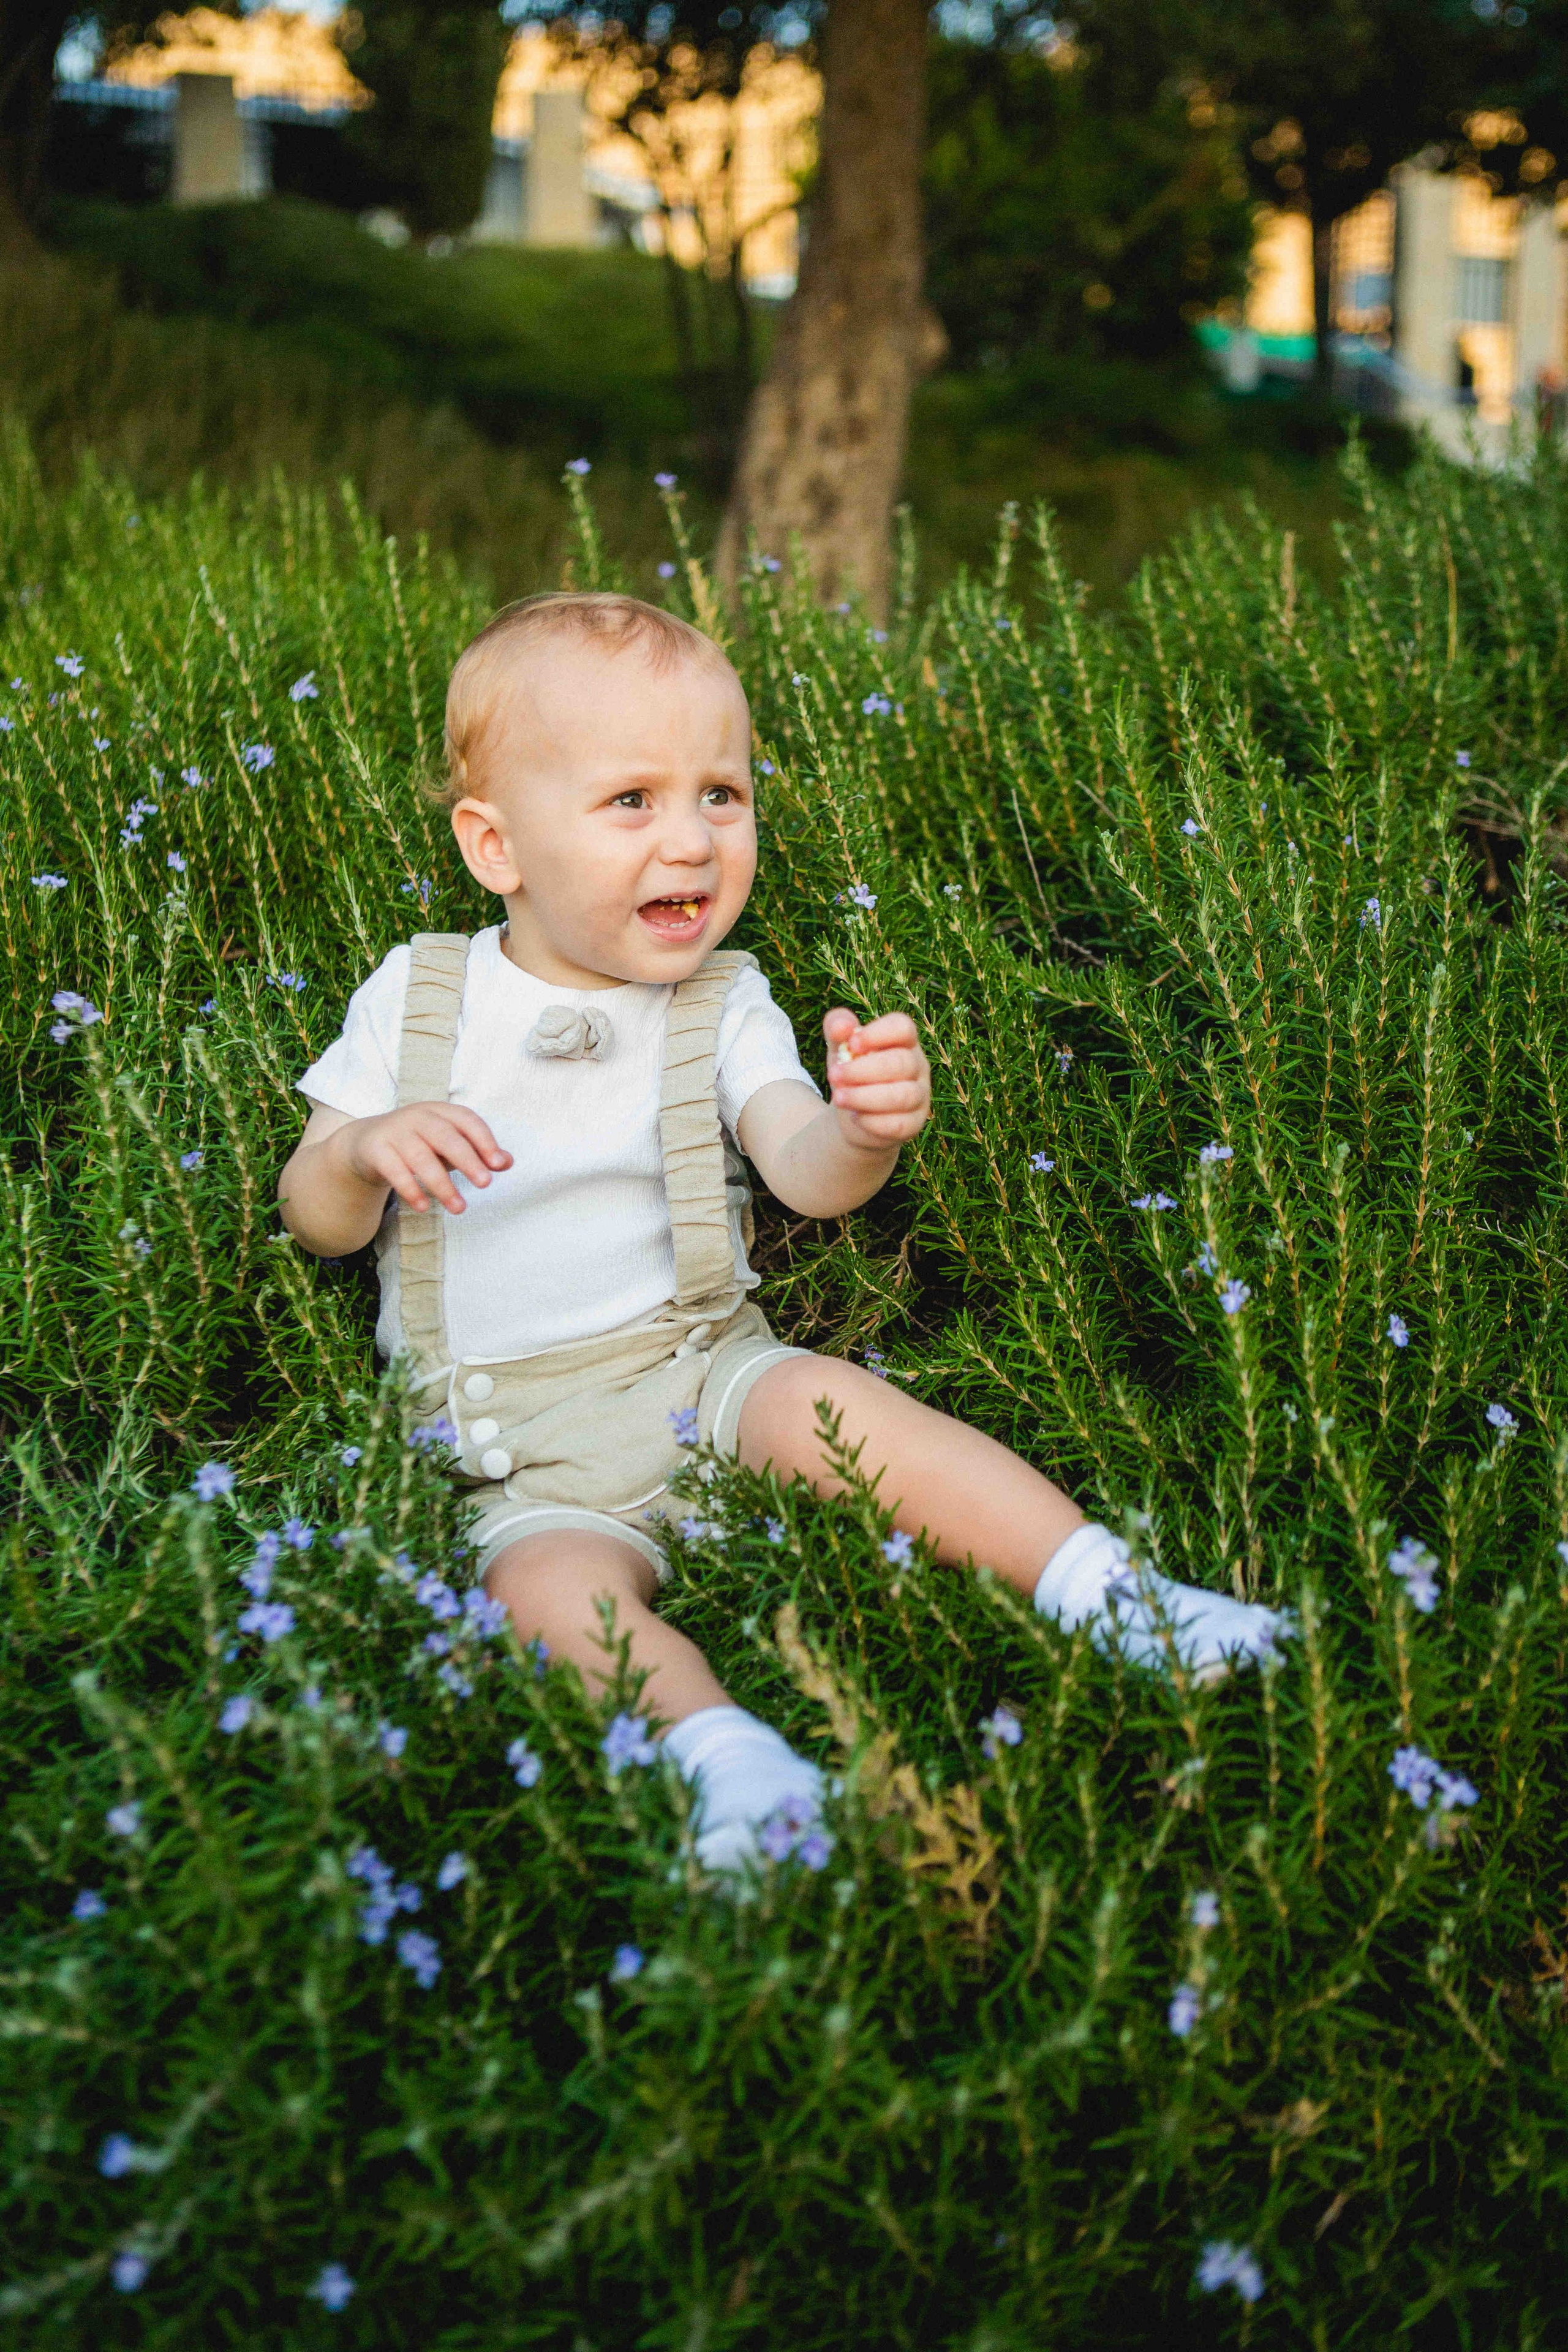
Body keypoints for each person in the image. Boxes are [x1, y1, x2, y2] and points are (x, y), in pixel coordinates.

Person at [279, 593, 1289, 1871]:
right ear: (497, 848)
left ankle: (1119, 1601)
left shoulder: (725, 997)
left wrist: (861, 1129)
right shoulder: (419, 998)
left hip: (701, 1367)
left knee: (844, 1408)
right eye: (629, 802)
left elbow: (801, 1169)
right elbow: (312, 1214)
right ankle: (728, 1764)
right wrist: (363, 1151)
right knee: (542, 1596)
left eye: (721, 794)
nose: (690, 841)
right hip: (512, 1446)